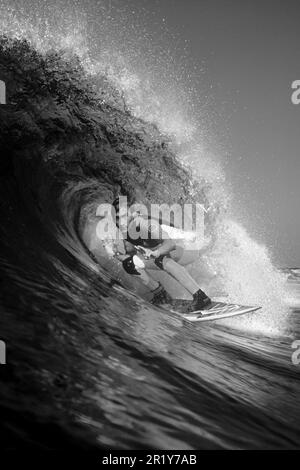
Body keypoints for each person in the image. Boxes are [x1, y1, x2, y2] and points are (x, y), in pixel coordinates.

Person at [112, 197, 211, 312]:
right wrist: (115, 253)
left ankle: (201, 297)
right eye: (118, 218)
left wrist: (155, 253)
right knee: (129, 264)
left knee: (160, 259)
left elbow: (170, 244)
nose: (122, 221)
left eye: (124, 216)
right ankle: (161, 295)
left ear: (132, 214)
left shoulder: (144, 224)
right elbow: (132, 257)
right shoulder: (126, 232)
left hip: (187, 247)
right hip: (171, 252)